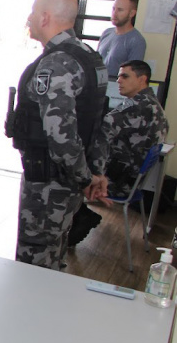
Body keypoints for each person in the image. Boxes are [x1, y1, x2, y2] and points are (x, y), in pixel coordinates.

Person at [6, 0, 107, 271]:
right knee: (55, 252)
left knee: (35, 264)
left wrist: (85, 178)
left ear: (45, 17)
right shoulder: (90, 57)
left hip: (50, 182)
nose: (29, 19)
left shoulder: (56, 64)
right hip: (69, 181)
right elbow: (100, 123)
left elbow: (61, 135)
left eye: (33, 12)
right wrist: (94, 172)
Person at [69, 60, 169, 245]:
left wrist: (95, 173)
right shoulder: (154, 105)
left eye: (125, 76)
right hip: (134, 182)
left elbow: (101, 132)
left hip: (117, 181)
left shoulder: (135, 106)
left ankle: (78, 220)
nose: (119, 81)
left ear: (142, 79)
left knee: (67, 172)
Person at [99, 0, 146, 78]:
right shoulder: (106, 33)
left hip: (116, 84)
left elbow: (132, 75)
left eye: (120, 10)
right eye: (113, 9)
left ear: (131, 13)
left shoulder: (137, 41)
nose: (114, 13)